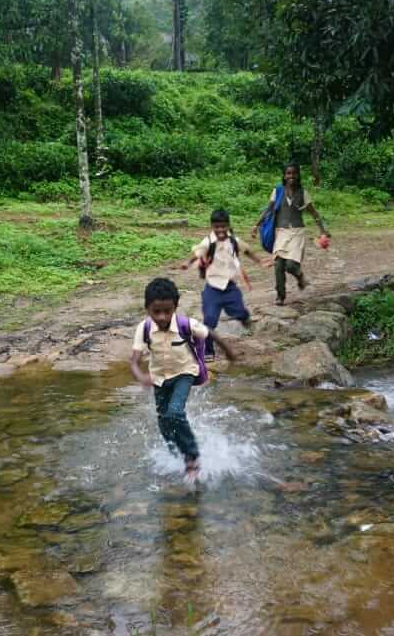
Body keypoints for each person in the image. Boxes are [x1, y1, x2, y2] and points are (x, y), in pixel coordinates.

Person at [128, 278, 236, 484]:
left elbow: (210, 333)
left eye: (167, 311)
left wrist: (229, 352)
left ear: (175, 307)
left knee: (175, 412)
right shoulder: (144, 329)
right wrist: (141, 376)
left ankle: (192, 456)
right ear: (147, 309)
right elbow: (134, 361)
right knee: (164, 421)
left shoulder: (187, 324)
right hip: (159, 378)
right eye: (156, 312)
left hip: (185, 373)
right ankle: (175, 450)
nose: (162, 317)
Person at [180, 209, 268, 360]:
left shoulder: (234, 241)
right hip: (212, 289)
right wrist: (187, 263)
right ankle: (208, 351)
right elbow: (197, 254)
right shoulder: (208, 241)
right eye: (217, 227)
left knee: (239, 311)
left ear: (228, 225)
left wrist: (260, 261)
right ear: (212, 226)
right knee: (209, 321)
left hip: (229, 287)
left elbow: (247, 251)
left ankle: (244, 318)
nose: (220, 230)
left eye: (223, 226)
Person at [253, 164, 331, 305]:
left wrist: (323, 230)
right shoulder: (277, 191)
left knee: (290, 265)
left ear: (298, 175)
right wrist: (256, 225)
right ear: (284, 175)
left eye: (294, 173)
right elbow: (268, 210)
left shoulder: (303, 193)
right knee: (278, 265)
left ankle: (300, 276)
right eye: (288, 173)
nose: (291, 176)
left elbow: (314, 213)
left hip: (297, 232)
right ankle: (280, 295)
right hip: (281, 232)